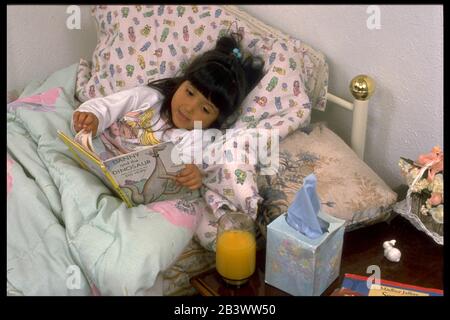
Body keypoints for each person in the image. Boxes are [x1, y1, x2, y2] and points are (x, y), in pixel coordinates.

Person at [72, 34, 265, 191]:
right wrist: (92, 117)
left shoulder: (197, 138)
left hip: (129, 190)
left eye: (205, 109)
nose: (189, 108)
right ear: (182, 82)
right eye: (189, 92)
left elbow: (186, 166)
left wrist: (191, 174)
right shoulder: (148, 98)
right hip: (93, 162)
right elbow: (106, 106)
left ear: (216, 119)